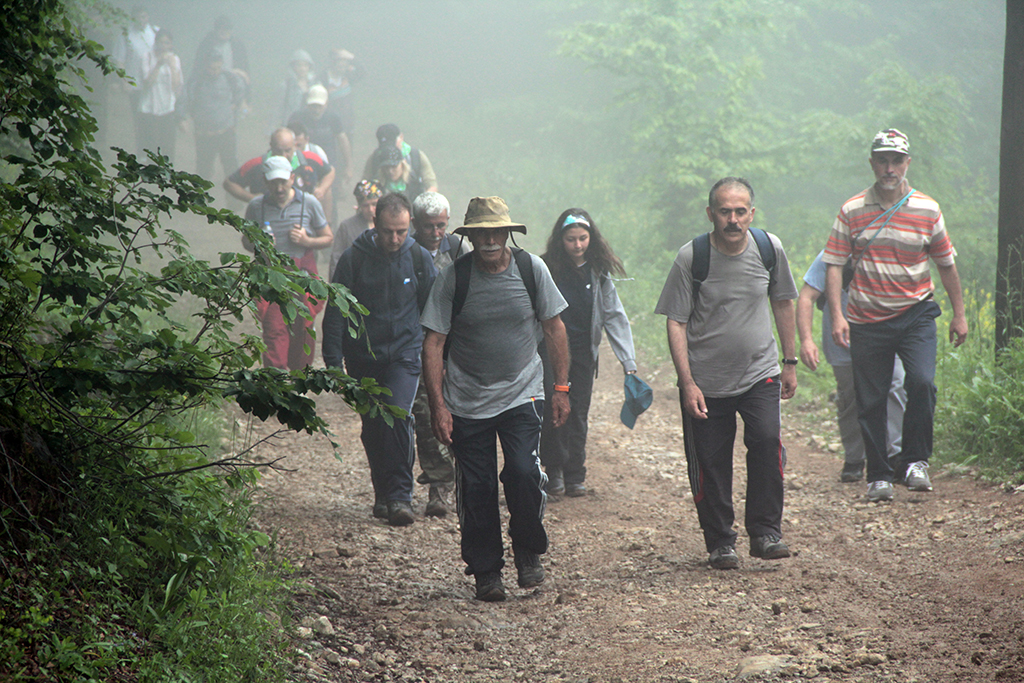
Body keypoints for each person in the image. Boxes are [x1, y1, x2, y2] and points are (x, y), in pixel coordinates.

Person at [420, 196, 571, 602]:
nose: (489, 240)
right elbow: (433, 343)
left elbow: (554, 327)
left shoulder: (530, 269)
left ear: (508, 233)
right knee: (478, 485)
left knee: (523, 473)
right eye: (480, 233)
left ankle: (527, 551)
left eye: (496, 232)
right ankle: (486, 570)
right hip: (467, 398)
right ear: (469, 237)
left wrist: (560, 389)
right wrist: (438, 406)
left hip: (523, 391)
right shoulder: (455, 278)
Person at [654, 177, 798, 570]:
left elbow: (783, 301)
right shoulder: (692, 257)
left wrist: (790, 361)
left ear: (752, 212)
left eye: (740, 211)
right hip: (707, 382)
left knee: (767, 443)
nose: (733, 219)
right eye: (724, 211)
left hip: (760, 372)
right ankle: (720, 541)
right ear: (710, 214)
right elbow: (676, 321)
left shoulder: (769, 249)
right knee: (711, 461)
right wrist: (687, 383)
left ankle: (766, 531)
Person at [823, 128, 968, 502]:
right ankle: (879, 475)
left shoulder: (928, 209)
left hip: (916, 313)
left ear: (907, 163)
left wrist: (959, 314)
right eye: (883, 160)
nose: (889, 168)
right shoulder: (852, 210)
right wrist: (837, 316)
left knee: (921, 382)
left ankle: (916, 461)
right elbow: (834, 265)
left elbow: (946, 263)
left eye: (896, 160)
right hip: (867, 317)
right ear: (872, 163)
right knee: (870, 397)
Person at [323, 193, 436, 527]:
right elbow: (335, 312)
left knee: (398, 416)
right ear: (375, 224)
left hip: (404, 353)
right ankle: (383, 493)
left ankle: (401, 496)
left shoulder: (418, 257)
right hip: (363, 357)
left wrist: (439, 358)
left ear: (410, 226)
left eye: (401, 231)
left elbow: (434, 313)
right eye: (388, 231)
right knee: (373, 427)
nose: (395, 238)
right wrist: (333, 361)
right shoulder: (353, 259)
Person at [539, 208, 638, 498]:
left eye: (583, 238)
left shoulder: (598, 273)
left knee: (578, 412)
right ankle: (553, 470)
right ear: (561, 239)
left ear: (591, 239)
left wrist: (628, 362)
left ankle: (575, 474)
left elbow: (614, 316)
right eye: (571, 239)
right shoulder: (546, 268)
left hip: (583, 354)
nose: (578, 245)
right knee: (552, 409)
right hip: (550, 352)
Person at [797, 250, 907, 482]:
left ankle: (895, 455)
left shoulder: (889, 247)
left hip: (886, 336)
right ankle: (854, 458)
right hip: (842, 343)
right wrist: (807, 340)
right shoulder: (830, 256)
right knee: (850, 398)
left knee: (894, 387)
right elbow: (807, 297)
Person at [409, 192, 471, 517]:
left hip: (457, 347)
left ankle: (463, 480)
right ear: (415, 224)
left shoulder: (462, 253)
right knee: (426, 413)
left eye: (442, 225)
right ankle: (438, 486)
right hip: (420, 345)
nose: (436, 232)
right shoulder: (406, 253)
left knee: (463, 414)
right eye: (429, 226)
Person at [242, 156, 332, 371]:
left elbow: (328, 237)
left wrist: (307, 240)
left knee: (303, 327)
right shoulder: (256, 206)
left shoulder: (309, 203)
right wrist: (259, 243)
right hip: (271, 277)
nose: (279, 187)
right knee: (274, 329)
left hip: (303, 275)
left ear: (293, 178)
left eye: (283, 181)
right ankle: (278, 380)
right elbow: (245, 241)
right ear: (266, 181)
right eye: (274, 182)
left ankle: (300, 377)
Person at [224, 127, 334, 220]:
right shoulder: (257, 165)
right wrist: (251, 198)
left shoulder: (309, 159)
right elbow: (229, 183)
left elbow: (329, 171)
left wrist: (322, 189)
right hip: (268, 220)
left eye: (287, 150)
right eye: (279, 151)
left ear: (295, 145)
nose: (283, 155)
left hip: (304, 219)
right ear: (271, 146)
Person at [182, 49, 245, 182]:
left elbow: (241, 89)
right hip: (204, 134)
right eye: (211, 68)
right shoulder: (196, 81)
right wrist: (181, 117)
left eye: (218, 68)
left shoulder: (229, 78)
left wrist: (236, 104)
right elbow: (185, 99)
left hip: (226, 131)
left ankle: (234, 199)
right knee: (203, 169)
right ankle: (198, 199)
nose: (215, 71)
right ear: (205, 66)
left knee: (231, 166)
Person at [111, 5, 157, 152]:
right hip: (135, 85)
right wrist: (124, 81)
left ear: (147, 17)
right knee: (140, 120)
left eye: (144, 17)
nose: (141, 20)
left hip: (154, 85)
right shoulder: (126, 35)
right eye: (138, 17)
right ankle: (142, 151)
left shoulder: (156, 32)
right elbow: (120, 60)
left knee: (154, 119)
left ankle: (154, 151)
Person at [288, 85, 352, 189]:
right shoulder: (297, 117)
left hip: (328, 163)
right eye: (313, 106)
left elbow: (343, 140)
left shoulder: (333, 118)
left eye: (319, 106)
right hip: (301, 162)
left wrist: (348, 166)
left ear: (326, 104)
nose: (316, 110)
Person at [137, 28, 182, 163]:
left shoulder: (175, 59)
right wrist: (158, 64)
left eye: (167, 43)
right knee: (149, 140)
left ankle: (166, 171)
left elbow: (176, 86)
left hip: (167, 107)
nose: (164, 46)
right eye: (161, 43)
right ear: (156, 43)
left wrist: (172, 67)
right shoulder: (147, 56)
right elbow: (147, 83)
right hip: (148, 106)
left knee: (167, 142)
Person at [362, 124, 437, 202]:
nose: (390, 171)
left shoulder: (416, 157)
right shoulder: (375, 158)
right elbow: (364, 185)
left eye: (392, 143)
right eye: (384, 146)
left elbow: (432, 185)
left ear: (401, 137)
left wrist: (422, 203)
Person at [329, 179, 382, 280]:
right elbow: (336, 259)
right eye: (366, 205)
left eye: (374, 204)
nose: (370, 209)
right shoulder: (347, 227)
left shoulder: (388, 226)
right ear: (359, 206)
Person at [273, 49, 319, 129]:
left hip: (312, 125)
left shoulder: (316, 85)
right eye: (299, 65)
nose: (302, 68)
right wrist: (271, 129)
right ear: (293, 67)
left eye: (305, 65)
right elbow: (278, 108)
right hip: (291, 125)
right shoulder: (286, 86)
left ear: (310, 67)